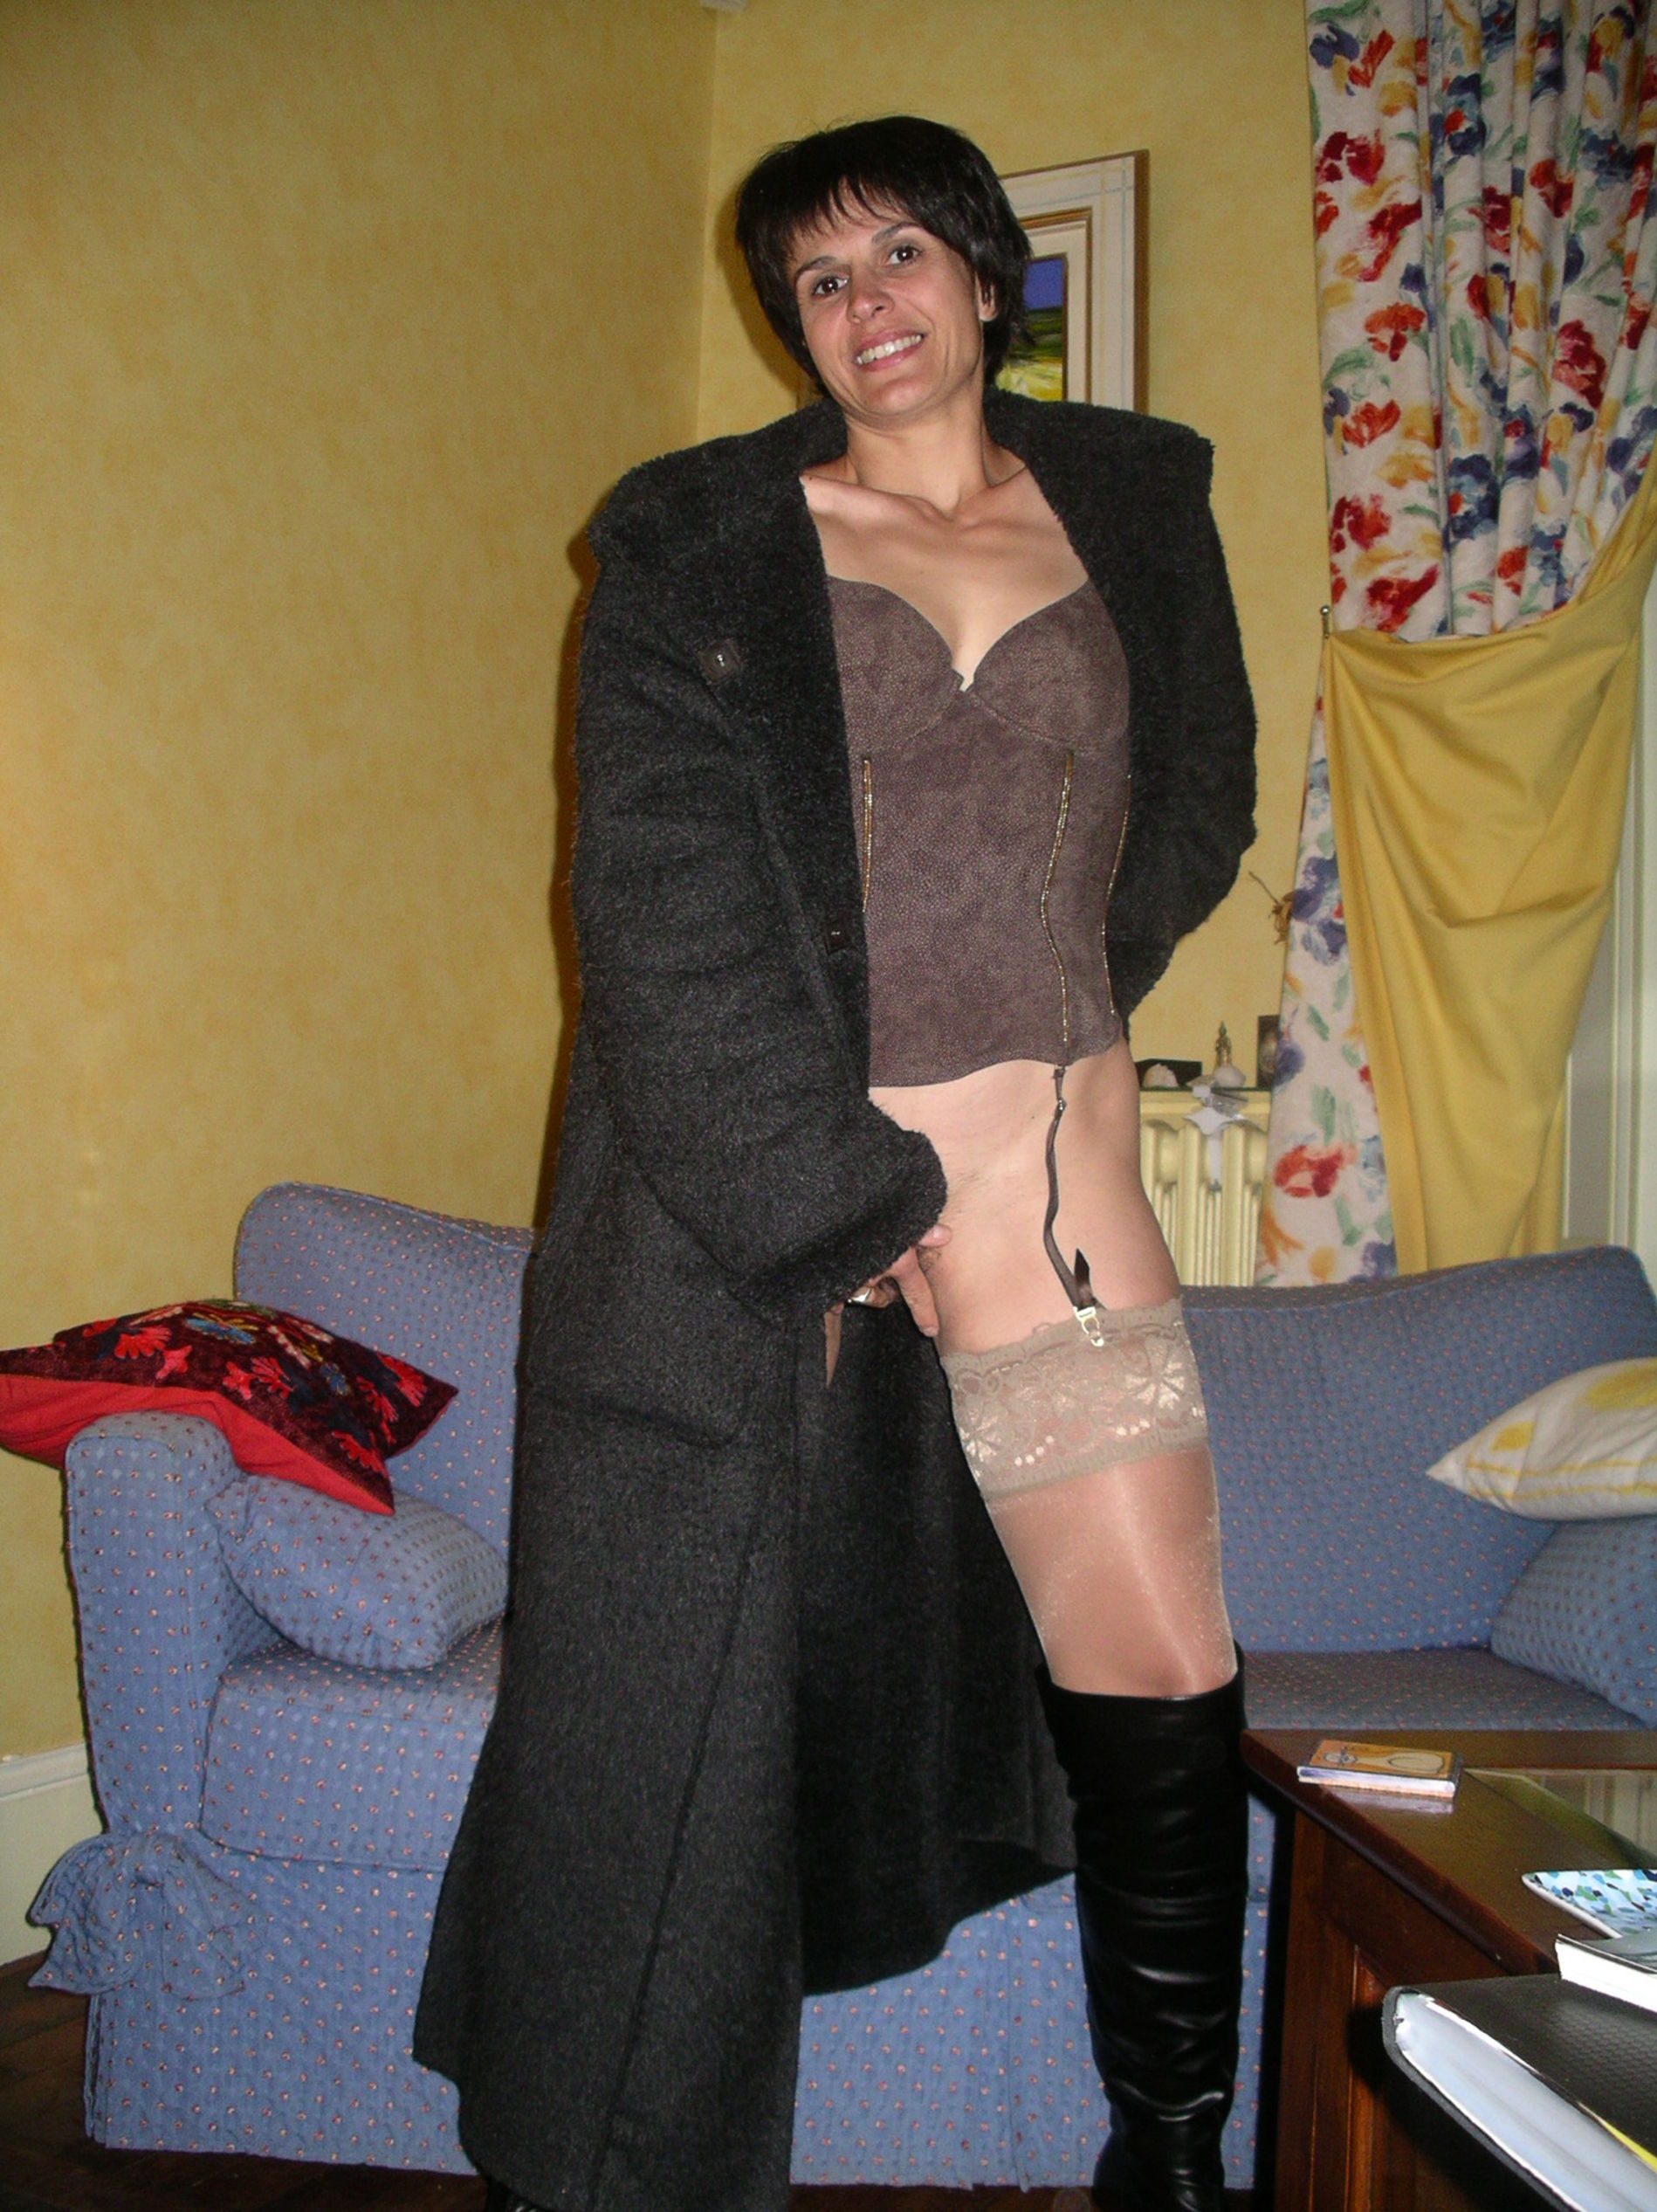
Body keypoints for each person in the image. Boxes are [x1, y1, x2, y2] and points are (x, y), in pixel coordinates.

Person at [415, 115, 1256, 2212]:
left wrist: (1061, 996)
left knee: (1159, 1663)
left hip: (1050, 1207)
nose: (863, 303)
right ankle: (597, 2169)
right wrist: (834, 1199)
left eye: (896, 254)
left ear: (980, 274)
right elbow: (657, 903)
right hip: (751, 1225)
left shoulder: (1129, 510)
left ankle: (1166, 2155)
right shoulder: (707, 542)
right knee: (662, 1734)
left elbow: (1198, 797)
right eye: (817, 279)